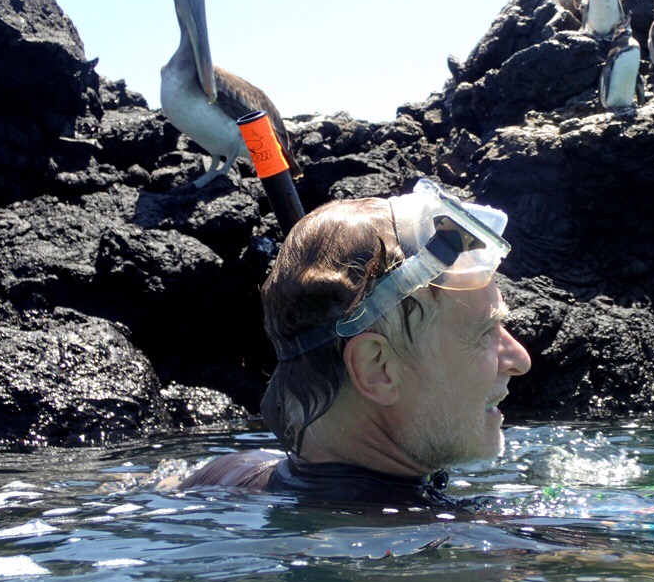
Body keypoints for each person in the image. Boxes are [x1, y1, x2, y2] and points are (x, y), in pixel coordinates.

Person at [177, 178, 532, 507]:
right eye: (484, 332)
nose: (520, 359)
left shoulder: (223, 476)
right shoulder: (466, 540)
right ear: (377, 369)